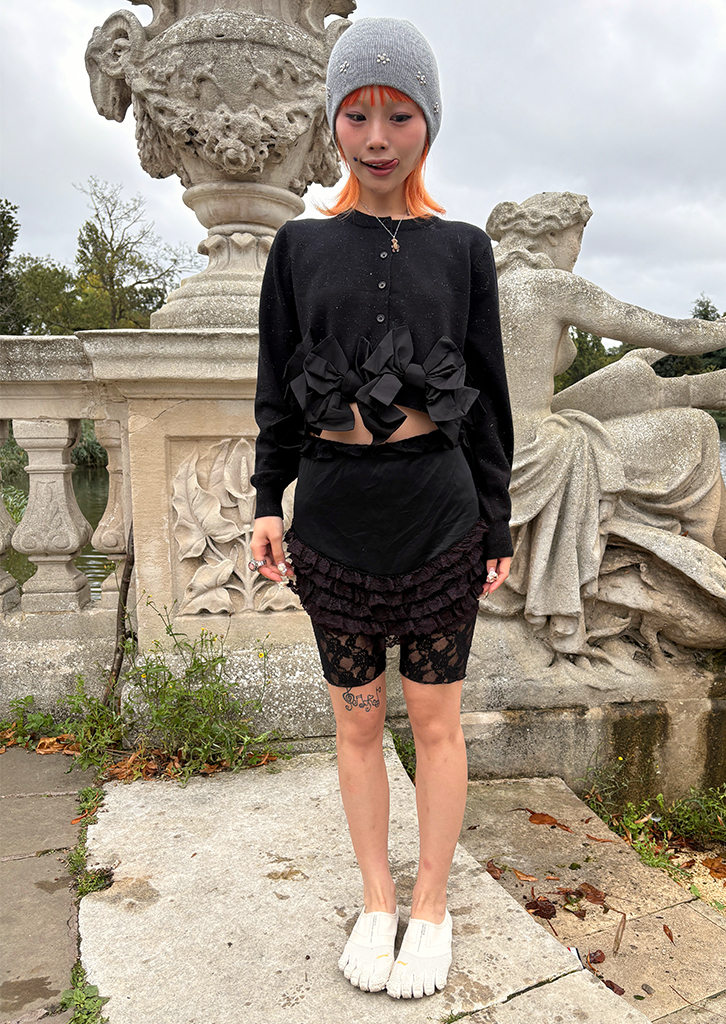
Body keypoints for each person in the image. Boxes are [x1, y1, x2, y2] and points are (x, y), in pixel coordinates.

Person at [249, 18, 513, 1000]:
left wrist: (498, 519)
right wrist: (266, 500)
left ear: (427, 123)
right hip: (332, 518)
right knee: (357, 725)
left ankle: (431, 905)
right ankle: (375, 898)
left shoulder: (465, 250)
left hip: (440, 517)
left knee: (436, 726)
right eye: (356, 115)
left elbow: (489, 396)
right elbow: (275, 386)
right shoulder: (298, 247)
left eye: (398, 116)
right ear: (332, 122)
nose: (376, 137)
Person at [484, 191, 726, 657]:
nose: (577, 252)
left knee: (625, 400)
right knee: (696, 432)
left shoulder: (479, 286)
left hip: (494, 455)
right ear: (551, 234)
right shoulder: (551, 286)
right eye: (577, 238)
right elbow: (676, 334)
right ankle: (716, 567)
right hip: (538, 455)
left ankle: (714, 568)